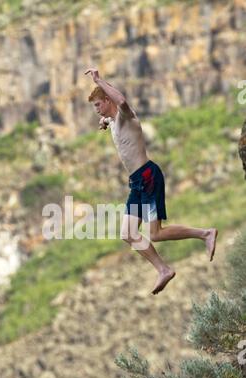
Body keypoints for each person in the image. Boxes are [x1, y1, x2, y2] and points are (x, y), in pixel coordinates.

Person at [85, 68, 218, 295]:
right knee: (127, 233)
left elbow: (123, 102)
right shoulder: (113, 120)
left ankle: (205, 233)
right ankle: (163, 269)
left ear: (107, 99)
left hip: (148, 176)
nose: (96, 110)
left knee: (155, 233)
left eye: (98, 105)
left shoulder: (127, 115)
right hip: (136, 182)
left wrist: (99, 80)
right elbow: (110, 120)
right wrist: (104, 121)